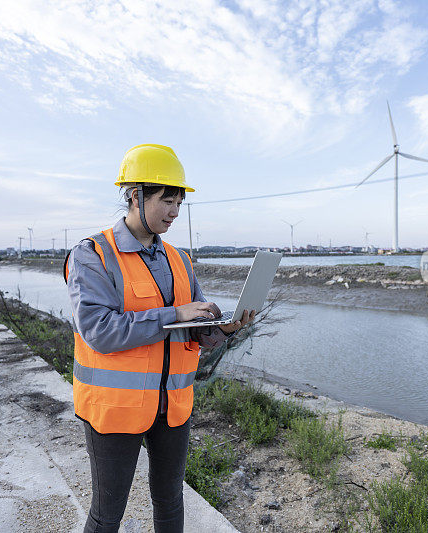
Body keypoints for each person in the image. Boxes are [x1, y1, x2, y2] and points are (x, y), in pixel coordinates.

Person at [64, 144, 255, 533]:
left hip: (172, 406)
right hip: (115, 409)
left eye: (179, 204)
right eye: (166, 201)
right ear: (135, 196)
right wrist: (175, 313)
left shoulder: (179, 259)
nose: (174, 212)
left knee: (170, 501)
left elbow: (193, 331)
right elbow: (100, 331)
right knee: (107, 514)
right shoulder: (93, 255)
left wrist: (221, 330)